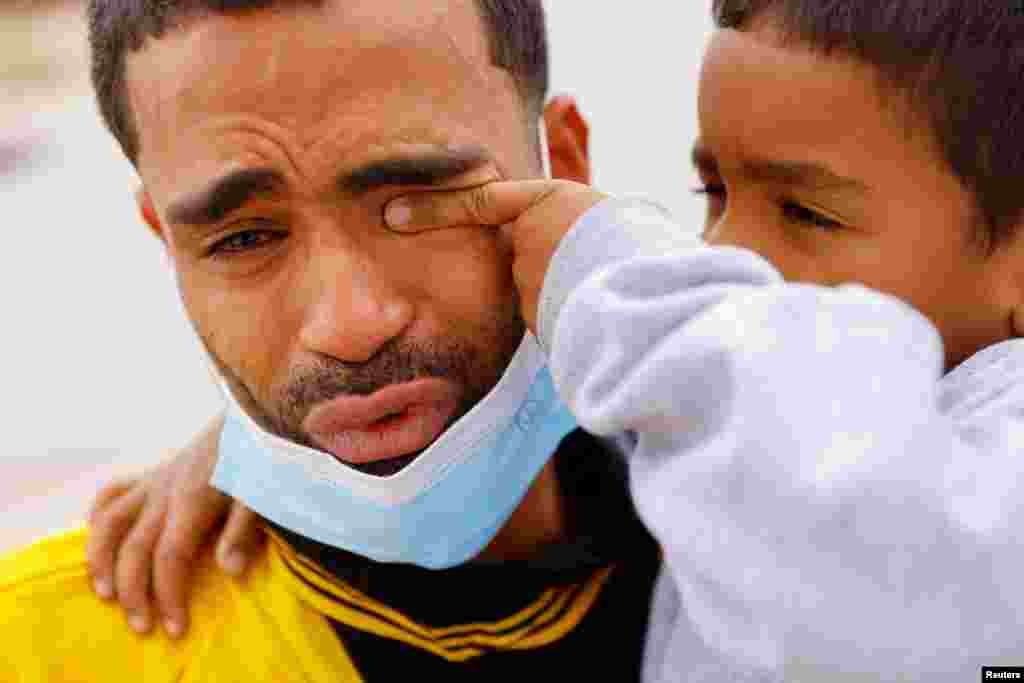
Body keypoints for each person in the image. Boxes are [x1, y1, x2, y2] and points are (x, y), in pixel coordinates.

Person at [10, 0, 1024, 680]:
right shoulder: (51, 636)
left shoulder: (807, 496)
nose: (347, 323)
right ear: (169, 247)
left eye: (417, 202)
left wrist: (607, 277)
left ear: (567, 171)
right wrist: (242, 445)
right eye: (242, 239)